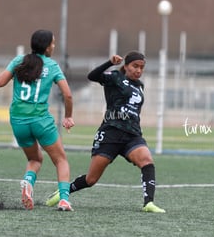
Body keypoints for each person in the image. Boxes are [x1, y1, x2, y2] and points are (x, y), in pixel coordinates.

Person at [45, 51, 165, 213]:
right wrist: (109, 62)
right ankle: (63, 192)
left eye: (141, 67)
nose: (138, 70)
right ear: (126, 66)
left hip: (132, 135)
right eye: (135, 66)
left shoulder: (140, 86)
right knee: (91, 179)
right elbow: (92, 76)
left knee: (147, 161)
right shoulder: (115, 77)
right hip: (111, 134)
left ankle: (148, 203)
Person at [0, 29, 74, 211]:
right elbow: (68, 95)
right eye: (53, 43)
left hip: (18, 120)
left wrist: (13, 71)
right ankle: (63, 199)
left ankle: (28, 182)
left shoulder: (19, 61)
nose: (54, 46)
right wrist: (68, 116)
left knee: (35, 159)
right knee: (61, 160)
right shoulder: (52, 66)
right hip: (40, 121)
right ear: (47, 47)